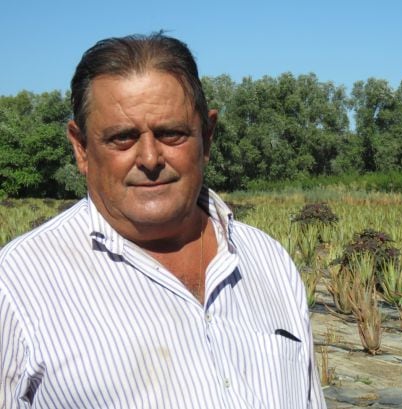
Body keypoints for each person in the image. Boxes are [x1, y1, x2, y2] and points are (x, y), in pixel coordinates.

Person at [0, 33, 326, 408]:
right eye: (122, 138)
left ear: (207, 136)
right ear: (81, 147)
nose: (150, 158)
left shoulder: (269, 261)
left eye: (172, 134)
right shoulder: (16, 287)